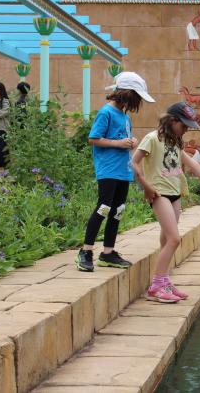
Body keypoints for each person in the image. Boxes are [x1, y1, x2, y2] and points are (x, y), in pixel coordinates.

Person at [133, 102, 200, 303]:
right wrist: (145, 186)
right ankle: (156, 286)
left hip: (174, 194)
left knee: (166, 241)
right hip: (159, 193)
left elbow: (194, 165)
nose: (186, 130)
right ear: (172, 121)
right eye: (184, 126)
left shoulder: (175, 143)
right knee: (174, 239)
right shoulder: (152, 139)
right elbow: (133, 162)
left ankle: (164, 280)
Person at [75, 72, 155, 272]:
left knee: (118, 211)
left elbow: (122, 138)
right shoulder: (106, 113)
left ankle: (108, 253)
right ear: (126, 94)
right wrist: (119, 143)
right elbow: (94, 138)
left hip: (123, 170)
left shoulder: (125, 116)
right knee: (103, 207)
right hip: (108, 169)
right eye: (136, 97)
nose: (137, 102)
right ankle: (86, 251)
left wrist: (131, 142)